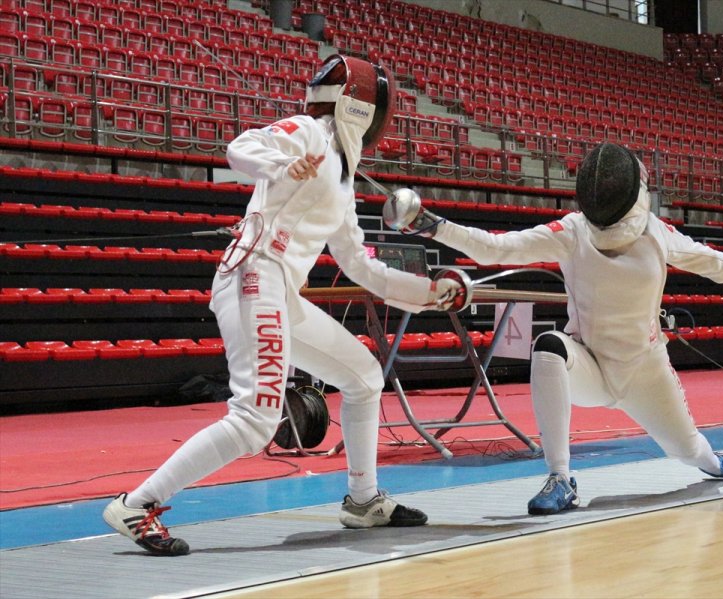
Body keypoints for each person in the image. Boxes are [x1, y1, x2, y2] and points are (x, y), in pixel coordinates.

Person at [102, 55, 462, 555]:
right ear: (362, 108)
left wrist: (428, 293)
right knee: (255, 418)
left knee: (362, 377)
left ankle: (363, 501)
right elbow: (240, 147)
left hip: (279, 291)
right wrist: (280, 164)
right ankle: (137, 504)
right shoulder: (311, 133)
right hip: (255, 275)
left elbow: (360, 265)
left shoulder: (340, 173)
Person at [384, 142, 723, 516]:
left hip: (645, 373)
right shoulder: (572, 232)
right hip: (590, 365)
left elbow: (712, 262)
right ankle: (560, 477)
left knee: (690, 452)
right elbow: (496, 247)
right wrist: (429, 223)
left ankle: (716, 463)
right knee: (548, 348)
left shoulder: (656, 233)